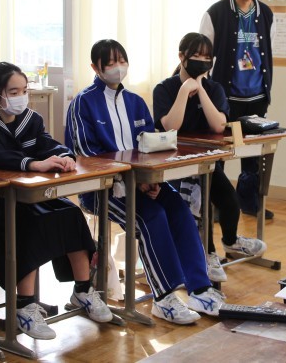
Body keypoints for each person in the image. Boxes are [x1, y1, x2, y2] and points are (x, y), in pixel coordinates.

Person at [65, 39, 225, 325]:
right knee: (151, 217)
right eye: (110, 63)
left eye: (121, 61)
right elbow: (86, 156)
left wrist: (152, 180)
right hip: (103, 190)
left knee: (179, 210)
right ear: (95, 67)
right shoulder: (82, 103)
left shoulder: (135, 102)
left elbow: (152, 145)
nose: (117, 68)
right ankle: (164, 298)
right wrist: (132, 180)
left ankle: (200, 289)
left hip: (143, 184)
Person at [0, 61, 112, 340]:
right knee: (28, 222)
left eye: (24, 90)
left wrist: (64, 156)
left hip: (28, 197)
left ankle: (83, 290)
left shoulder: (31, 120)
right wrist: (32, 164)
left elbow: (47, 144)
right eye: (13, 92)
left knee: (70, 213)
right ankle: (25, 305)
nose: (21, 97)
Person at [152, 32, 267, 283]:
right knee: (198, 209)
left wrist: (201, 89)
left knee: (229, 201)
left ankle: (231, 241)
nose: (202, 61)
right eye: (196, 56)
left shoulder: (214, 89)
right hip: (175, 165)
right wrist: (184, 90)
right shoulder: (164, 88)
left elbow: (218, 125)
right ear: (181, 56)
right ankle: (208, 254)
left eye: (207, 57)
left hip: (206, 163)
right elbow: (170, 126)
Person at [199, 0, 276, 220]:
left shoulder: (265, 14)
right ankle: (216, 204)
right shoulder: (217, 13)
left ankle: (249, 202)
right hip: (226, 97)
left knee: (252, 155)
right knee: (220, 152)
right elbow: (204, 55)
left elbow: (267, 54)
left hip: (257, 96)